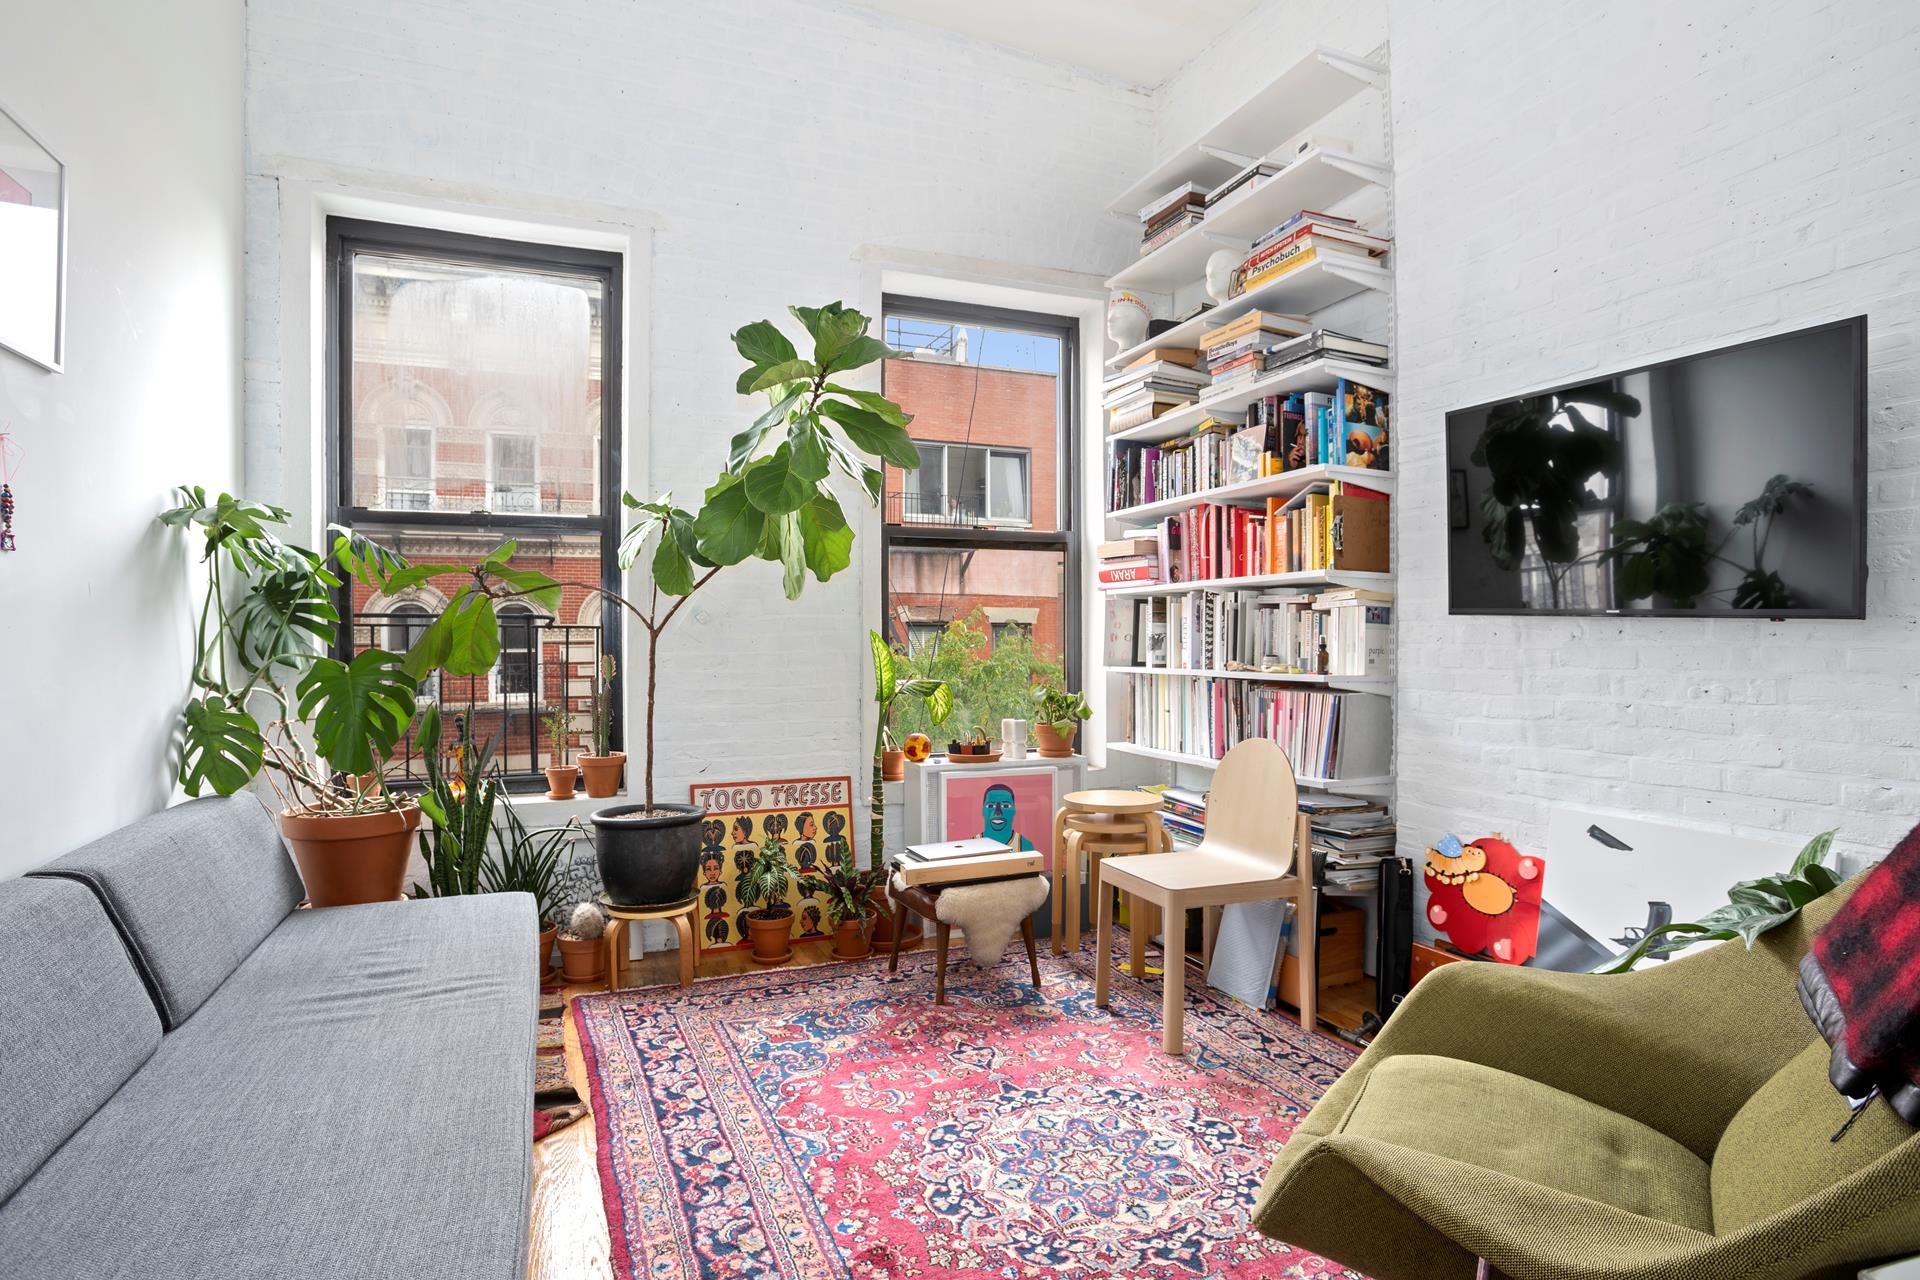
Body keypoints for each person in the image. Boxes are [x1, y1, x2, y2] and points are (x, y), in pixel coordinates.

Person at [979, 782, 1034, 851]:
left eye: (1005, 806)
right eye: (990, 806)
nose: (997, 812)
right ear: (982, 810)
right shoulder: (972, 845)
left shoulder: (1024, 846)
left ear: (1014, 810)